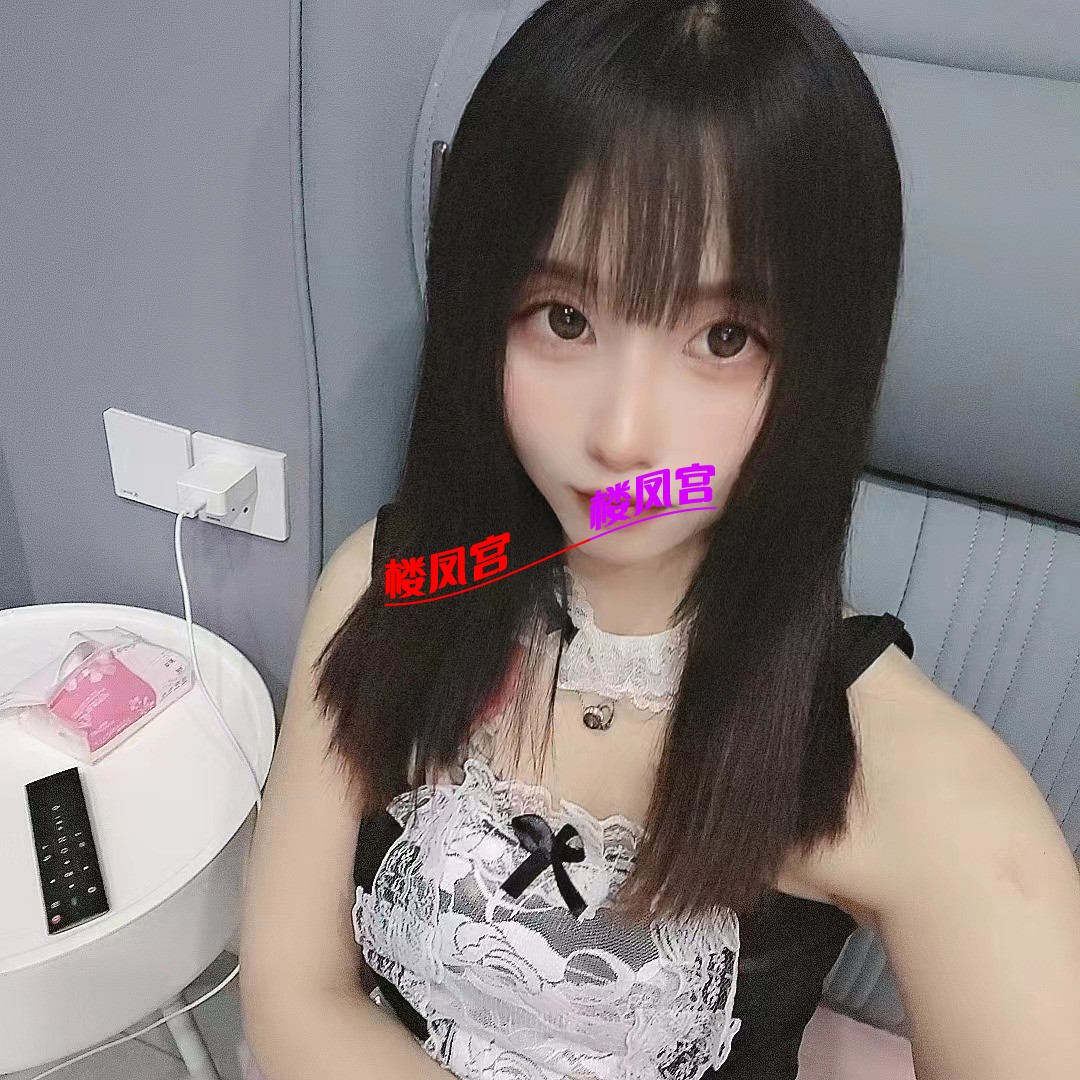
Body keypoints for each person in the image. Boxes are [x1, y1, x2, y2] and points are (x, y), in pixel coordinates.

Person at [239, 2, 1080, 1078]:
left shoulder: (913, 774)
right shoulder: (391, 584)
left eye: (723, 338)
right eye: (565, 317)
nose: (624, 437)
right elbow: (293, 993)